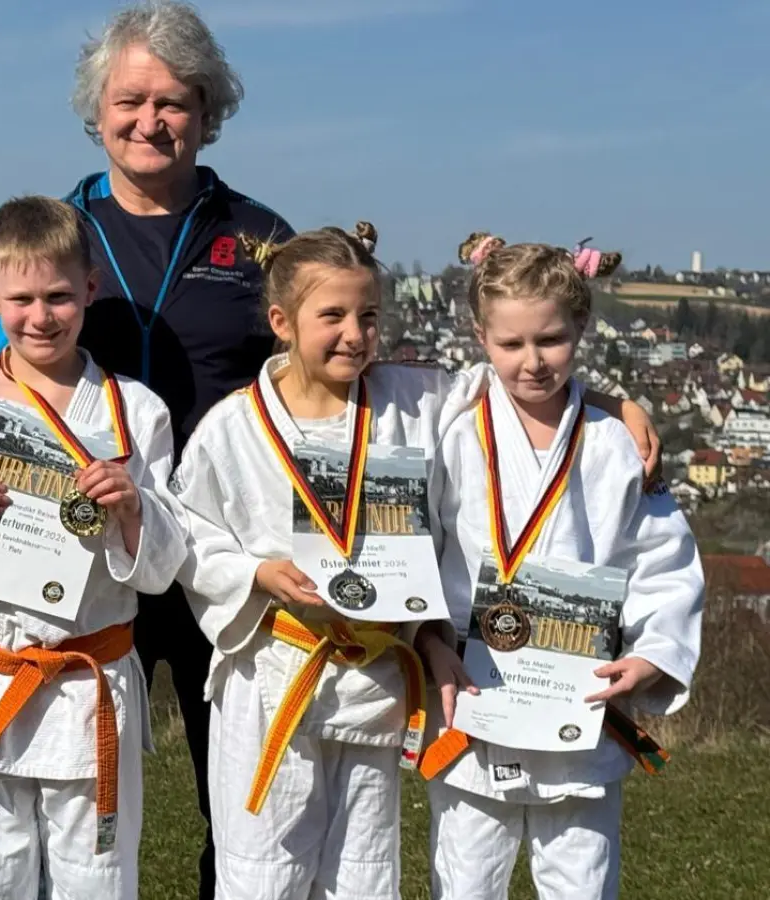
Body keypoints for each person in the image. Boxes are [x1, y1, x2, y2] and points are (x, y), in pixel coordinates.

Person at [171, 225, 658, 899]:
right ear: (281, 322)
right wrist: (254, 574)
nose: (354, 335)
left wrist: (613, 404)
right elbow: (190, 532)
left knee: (364, 875)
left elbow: (509, 383)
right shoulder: (232, 427)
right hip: (274, 676)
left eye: (368, 316)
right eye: (333, 316)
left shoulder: (413, 397)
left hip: (374, 681)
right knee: (263, 873)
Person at [0, 7, 293, 891]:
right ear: (98, 109)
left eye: (173, 102)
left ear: (207, 111)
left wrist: (606, 399)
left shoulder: (262, 237)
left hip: (226, 552)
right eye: (130, 101)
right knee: (71, 793)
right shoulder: (55, 232)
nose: (150, 121)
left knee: (245, 801)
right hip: (86, 552)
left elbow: (339, 360)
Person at [0, 196, 189, 898]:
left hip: (90, 684)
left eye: (58, 297)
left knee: (97, 880)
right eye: (21, 299)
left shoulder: (137, 411)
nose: (41, 317)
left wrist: (133, 507)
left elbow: (164, 564)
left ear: (90, 289)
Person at [416, 234, 703, 900]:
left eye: (550, 340)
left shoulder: (614, 446)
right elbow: (417, 547)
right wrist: (427, 638)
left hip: (580, 706)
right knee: (464, 884)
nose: (533, 361)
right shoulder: (451, 428)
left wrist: (653, 654)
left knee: (583, 884)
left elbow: (664, 561)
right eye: (511, 343)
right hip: (474, 698)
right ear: (480, 337)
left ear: (581, 326)